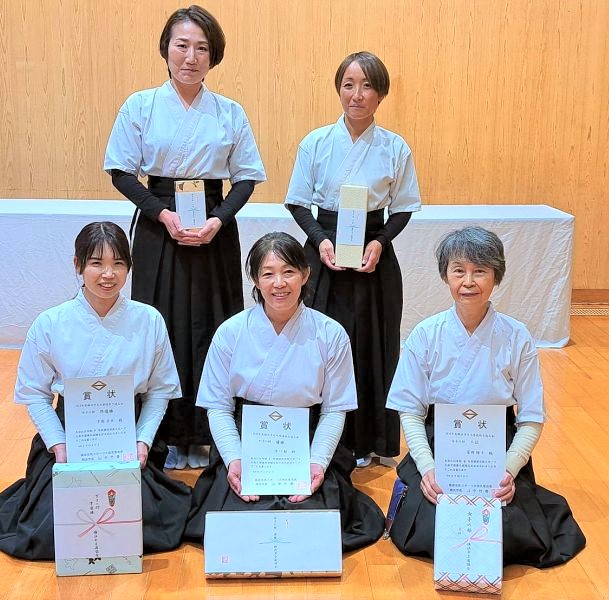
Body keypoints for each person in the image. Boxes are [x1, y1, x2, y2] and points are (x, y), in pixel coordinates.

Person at [103, 5, 266, 470]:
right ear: (166, 49)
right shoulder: (140, 106)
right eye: (182, 45)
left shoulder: (229, 112)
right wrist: (162, 214)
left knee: (214, 325)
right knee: (160, 325)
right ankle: (164, 435)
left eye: (201, 48)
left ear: (213, 56)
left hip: (214, 225)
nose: (190, 57)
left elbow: (247, 178)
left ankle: (211, 434)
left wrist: (218, 220)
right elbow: (121, 171)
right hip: (159, 226)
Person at [0, 222, 191, 560]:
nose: (108, 274)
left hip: (127, 435)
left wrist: (142, 441)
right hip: (68, 435)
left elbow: (159, 391)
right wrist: (58, 444)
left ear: (129, 267)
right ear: (77, 265)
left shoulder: (148, 319)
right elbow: (35, 393)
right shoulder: (51, 323)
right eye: (96, 263)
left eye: (118, 264)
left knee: (146, 524)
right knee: (50, 529)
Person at [385, 226, 586, 567]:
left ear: (496, 276)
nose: (468, 281)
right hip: (440, 442)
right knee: (433, 526)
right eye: (458, 270)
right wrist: (428, 468)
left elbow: (531, 416)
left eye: (480, 271)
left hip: (497, 446)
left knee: (505, 529)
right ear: (445, 276)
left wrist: (509, 470)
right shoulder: (425, 334)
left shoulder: (516, 335)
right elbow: (411, 411)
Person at [185, 232, 385, 552]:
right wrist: (234, 458)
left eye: (288, 271)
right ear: (255, 279)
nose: (279, 283)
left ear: (305, 274)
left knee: (311, 513)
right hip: (246, 439)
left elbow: (335, 409)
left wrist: (317, 462)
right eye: (268, 274)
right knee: (238, 513)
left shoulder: (330, 333)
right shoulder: (230, 332)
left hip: (306, 439)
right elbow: (219, 407)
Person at [285, 51, 420, 467]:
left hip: (373, 253)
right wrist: (320, 240)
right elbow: (297, 202)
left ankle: (371, 440)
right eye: (348, 85)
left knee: (374, 343)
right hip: (324, 250)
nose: (356, 95)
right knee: (320, 343)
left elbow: (403, 207)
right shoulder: (316, 142)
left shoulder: (394, 147)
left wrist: (380, 242)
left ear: (381, 94)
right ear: (338, 89)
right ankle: (321, 439)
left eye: (366, 86)